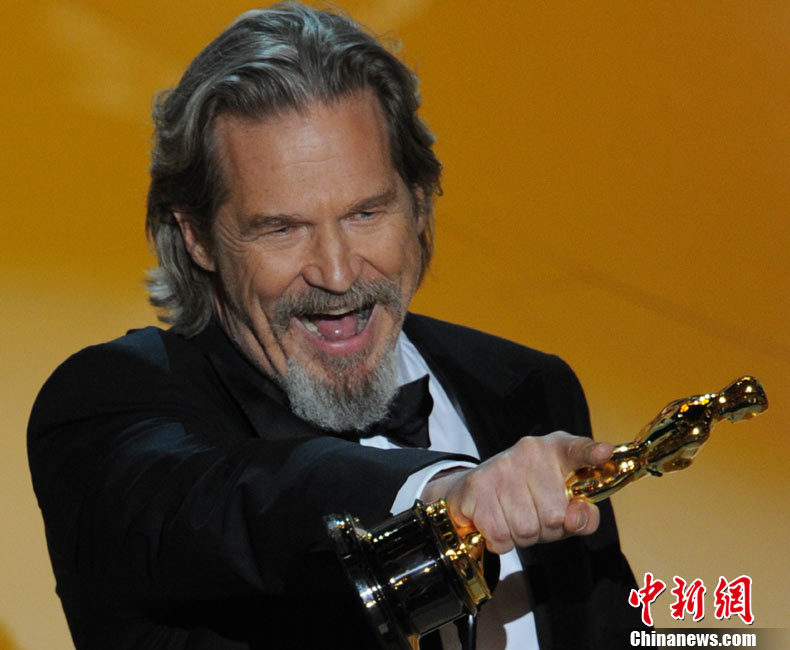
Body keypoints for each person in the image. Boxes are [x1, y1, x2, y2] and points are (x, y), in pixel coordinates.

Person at [28, 3, 645, 649]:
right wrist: (437, 491)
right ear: (198, 236)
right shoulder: (111, 405)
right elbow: (241, 503)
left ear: (420, 203)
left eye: (365, 213)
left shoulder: (527, 387)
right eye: (282, 228)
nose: (338, 272)